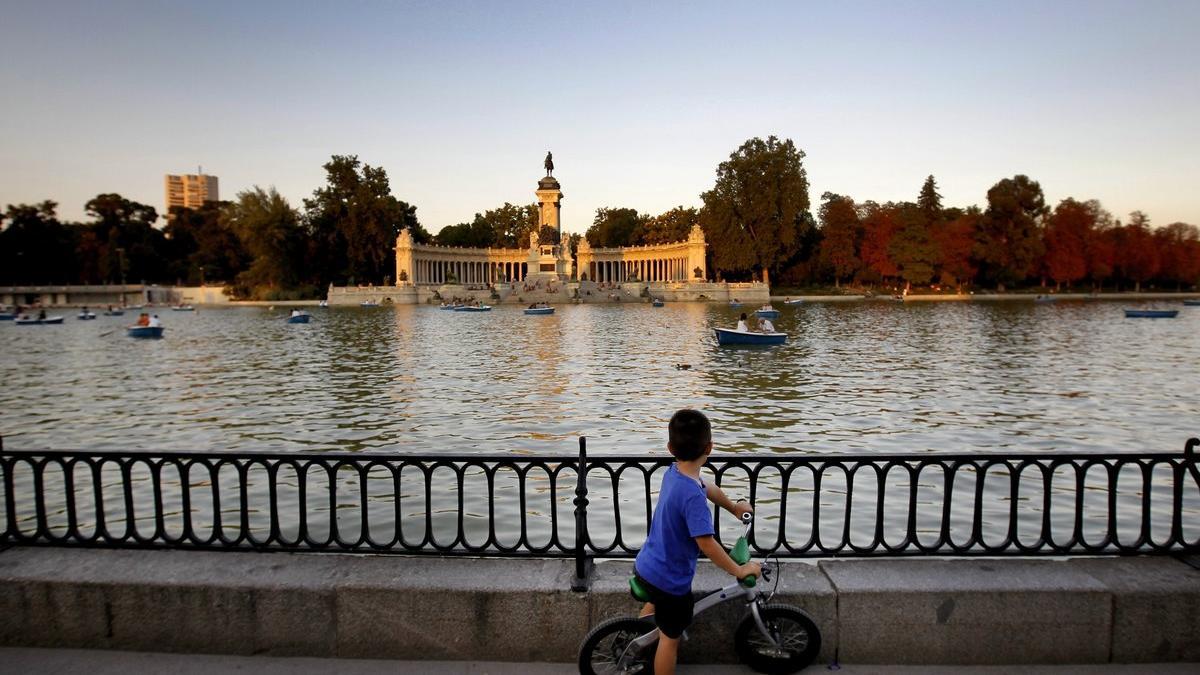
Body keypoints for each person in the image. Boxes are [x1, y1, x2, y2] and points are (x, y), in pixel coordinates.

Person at [633, 409, 758, 675]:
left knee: (658, 611)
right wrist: (739, 570)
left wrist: (733, 507)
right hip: (670, 580)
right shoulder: (692, 498)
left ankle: (638, 637)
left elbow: (706, 486)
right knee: (670, 640)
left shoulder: (675, 472)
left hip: (648, 566)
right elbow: (707, 544)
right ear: (710, 447)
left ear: (670, 448)